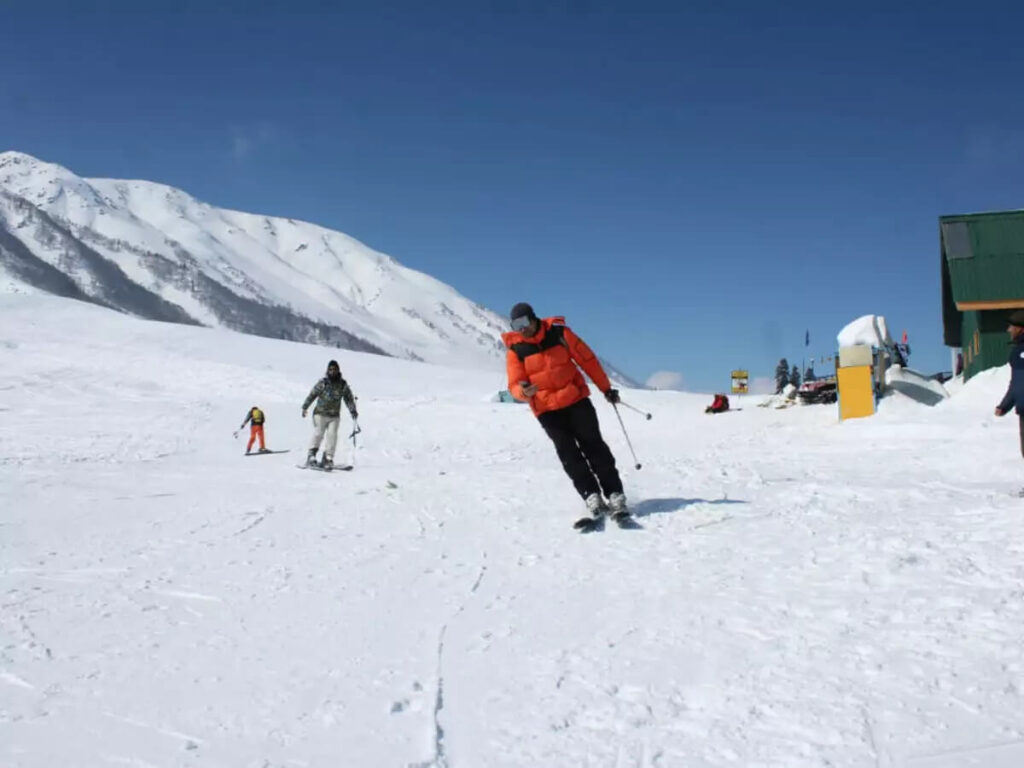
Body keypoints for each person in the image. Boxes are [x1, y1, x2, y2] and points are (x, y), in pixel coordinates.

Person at [502, 302, 629, 520]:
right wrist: (523, 392)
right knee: (569, 454)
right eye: (516, 325)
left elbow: (588, 361)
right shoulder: (516, 351)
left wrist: (606, 389)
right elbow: (514, 384)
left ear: (533, 318)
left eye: (524, 322)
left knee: (594, 446)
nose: (521, 329)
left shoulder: (560, 334)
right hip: (547, 410)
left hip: (576, 400)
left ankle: (614, 494)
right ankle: (591, 495)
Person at [302, 359, 358, 469]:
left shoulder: (342, 385)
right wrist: (305, 407)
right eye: (331, 369)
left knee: (332, 436)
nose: (333, 371)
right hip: (320, 413)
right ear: (328, 371)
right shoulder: (323, 383)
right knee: (319, 432)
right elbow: (312, 394)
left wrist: (353, 410)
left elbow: (348, 398)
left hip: (334, 416)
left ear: (338, 370)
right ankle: (311, 455)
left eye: (335, 369)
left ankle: (328, 458)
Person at [994, 311, 1024, 475]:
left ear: (1021, 328)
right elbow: (1016, 383)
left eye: (1011, 327)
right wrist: (1004, 405)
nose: (1008, 330)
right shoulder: (1016, 352)